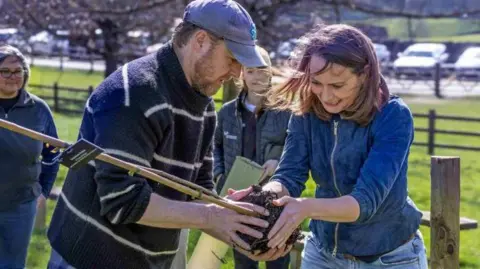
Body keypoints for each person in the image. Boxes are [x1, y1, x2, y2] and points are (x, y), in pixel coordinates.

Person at [46, 1, 287, 269]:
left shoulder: (203, 104)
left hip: (150, 261)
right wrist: (211, 216)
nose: (236, 74)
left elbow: (198, 190)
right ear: (200, 41)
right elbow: (121, 201)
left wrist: (242, 231)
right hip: (89, 259)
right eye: (232, 59)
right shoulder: (133, 93)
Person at [234, 24, 429, 268]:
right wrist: (262, 196)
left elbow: (364, 202)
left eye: (337, 85)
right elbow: (289, 176)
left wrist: (304, 208)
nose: (326, 96)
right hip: (323, 254)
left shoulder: (393, 116)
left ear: (365, 74)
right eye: (316, 83)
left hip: (390, 257)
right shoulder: (305, 113)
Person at [213, 45, 291, 269]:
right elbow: (214, 145)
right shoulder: (227, 113)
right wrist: (219, 173)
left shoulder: (286, 112)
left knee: (277, 257)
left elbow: (297, 150)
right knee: (244, 259)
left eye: (263, 70)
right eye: (251, 70)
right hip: (240, 197)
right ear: (242, 74)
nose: (257, 76)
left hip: (275, 199)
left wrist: (277, 161)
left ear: (271, 72)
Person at [0, 44, 60, 268]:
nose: (12, 76)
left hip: (21, 204)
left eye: (18, 71)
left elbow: (52, 154)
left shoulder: (39, 110)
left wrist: (43, 191)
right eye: (5, 71)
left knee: (12, 265)